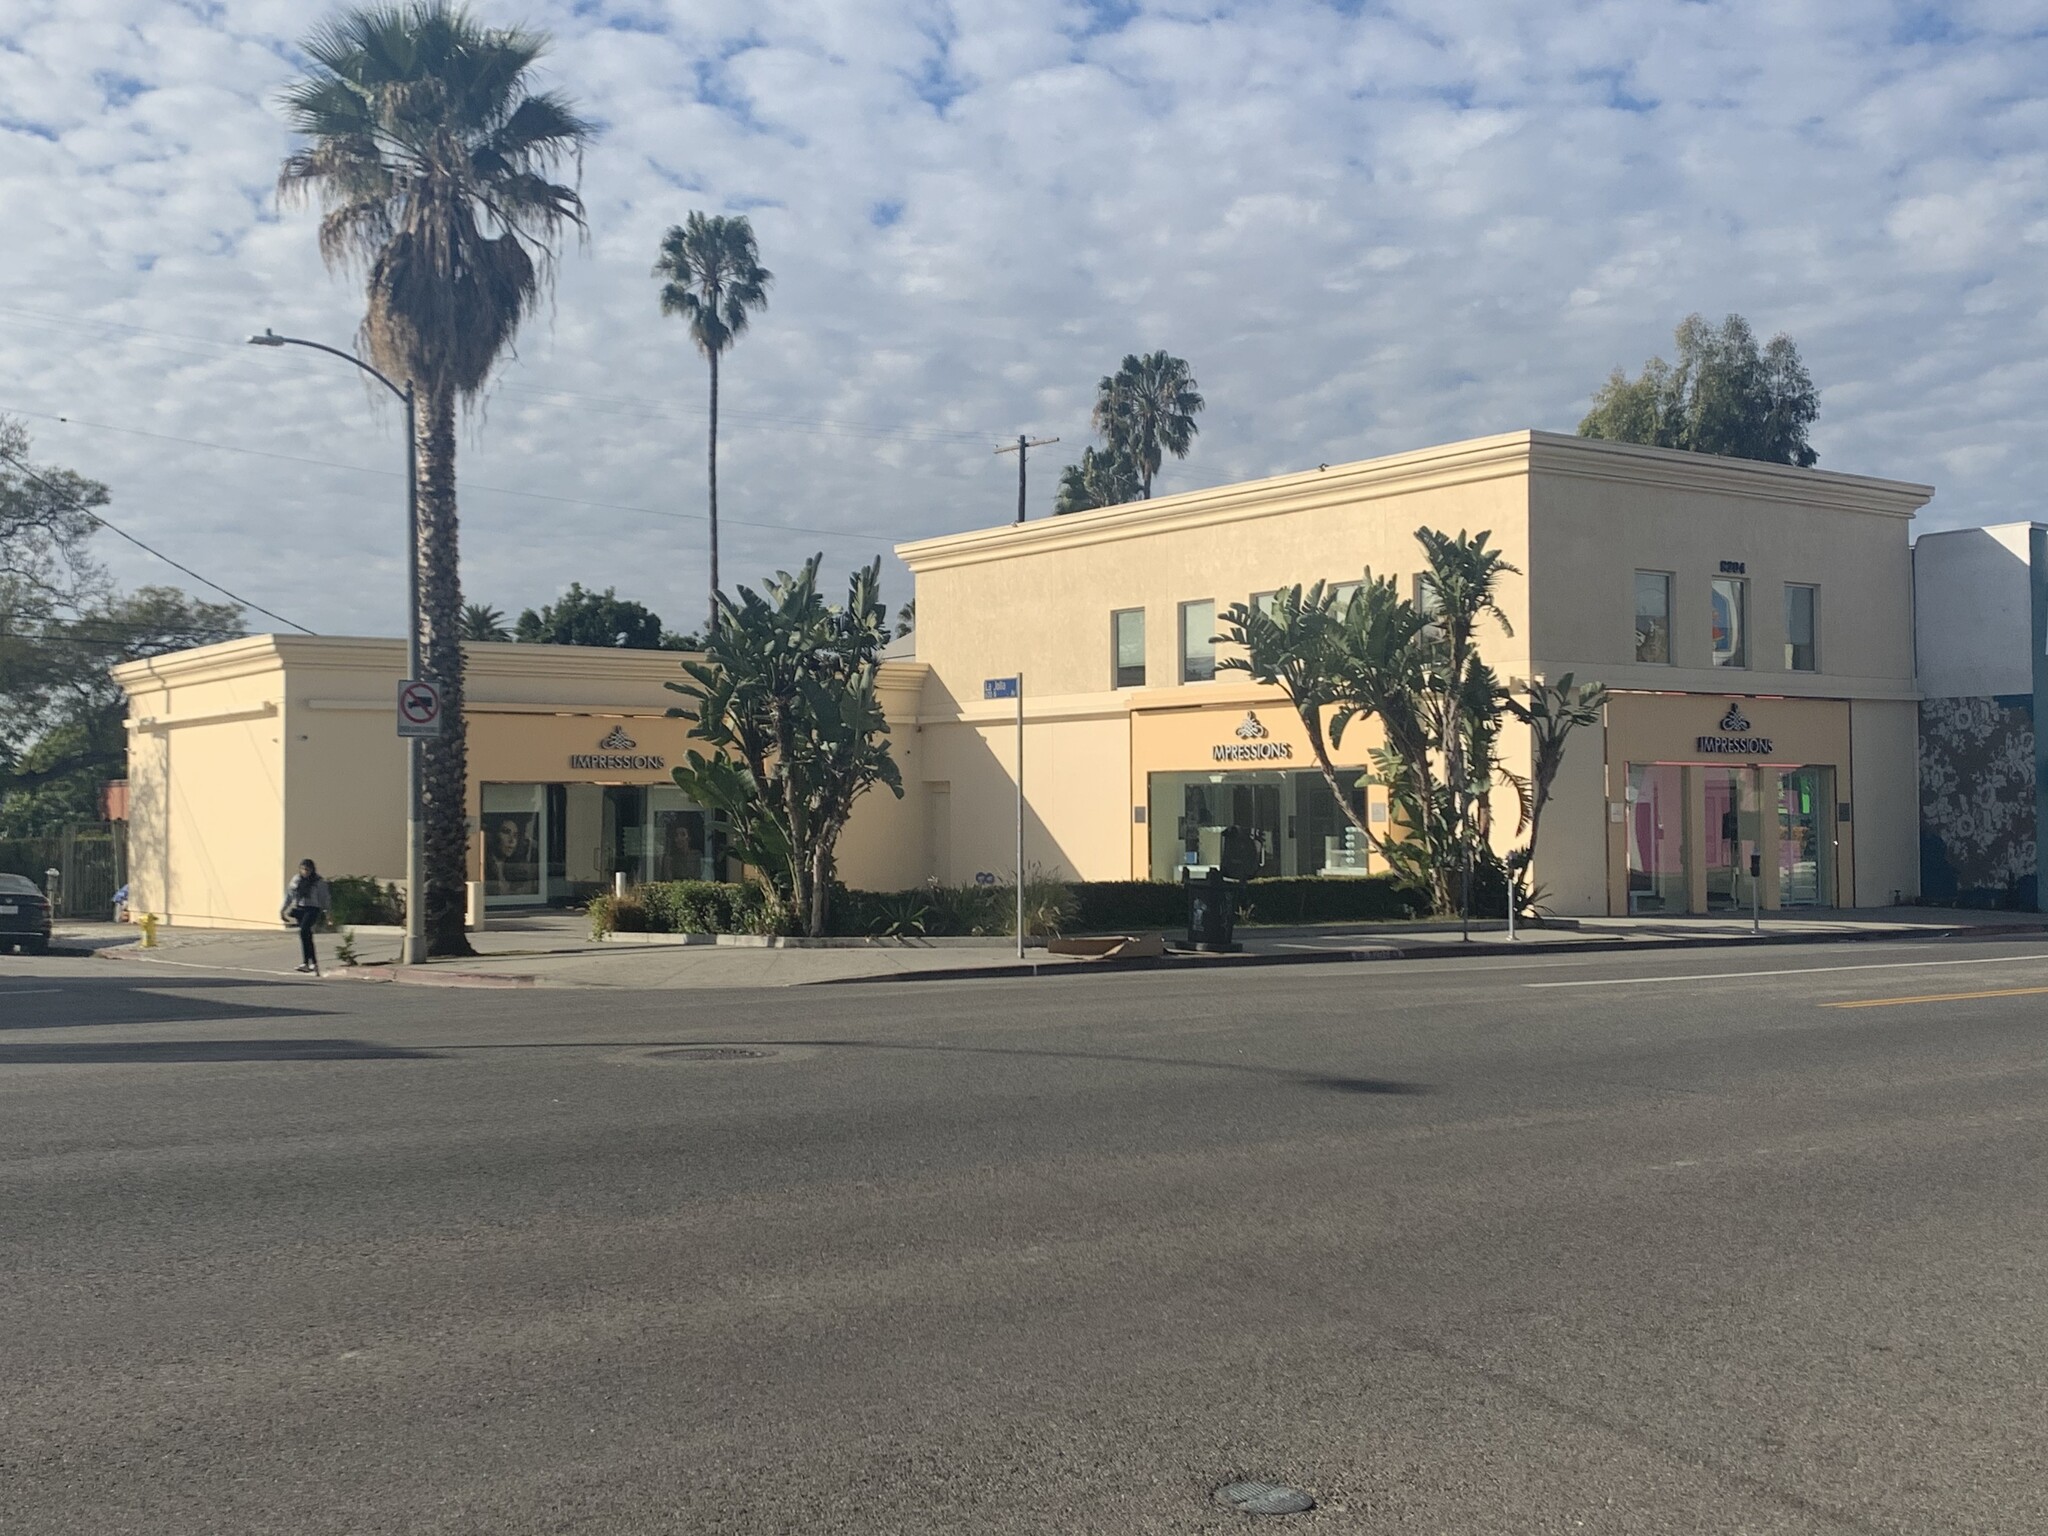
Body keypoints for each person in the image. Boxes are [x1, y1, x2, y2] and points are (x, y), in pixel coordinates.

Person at [281, 859, 331, 975]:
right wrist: (282, 911)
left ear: (312, 870)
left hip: (312, 909)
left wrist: (328, 914)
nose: (305, 872)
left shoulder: (318, 882)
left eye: (307, 869)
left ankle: (309, 962)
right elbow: (289, 896)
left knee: (304, 931)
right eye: (303, 869)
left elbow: (325, 899)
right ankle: (310, 963)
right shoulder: (296, 880)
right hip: (300, 909)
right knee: (306, 936)